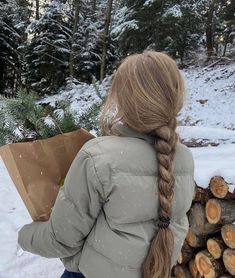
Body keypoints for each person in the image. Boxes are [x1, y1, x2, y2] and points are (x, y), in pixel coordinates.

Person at [18, 51, 196, 278]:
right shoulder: (184, 158)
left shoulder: (98, 157)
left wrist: (24, 235)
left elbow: (62, 240)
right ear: (176, 98)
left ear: (122, 98)